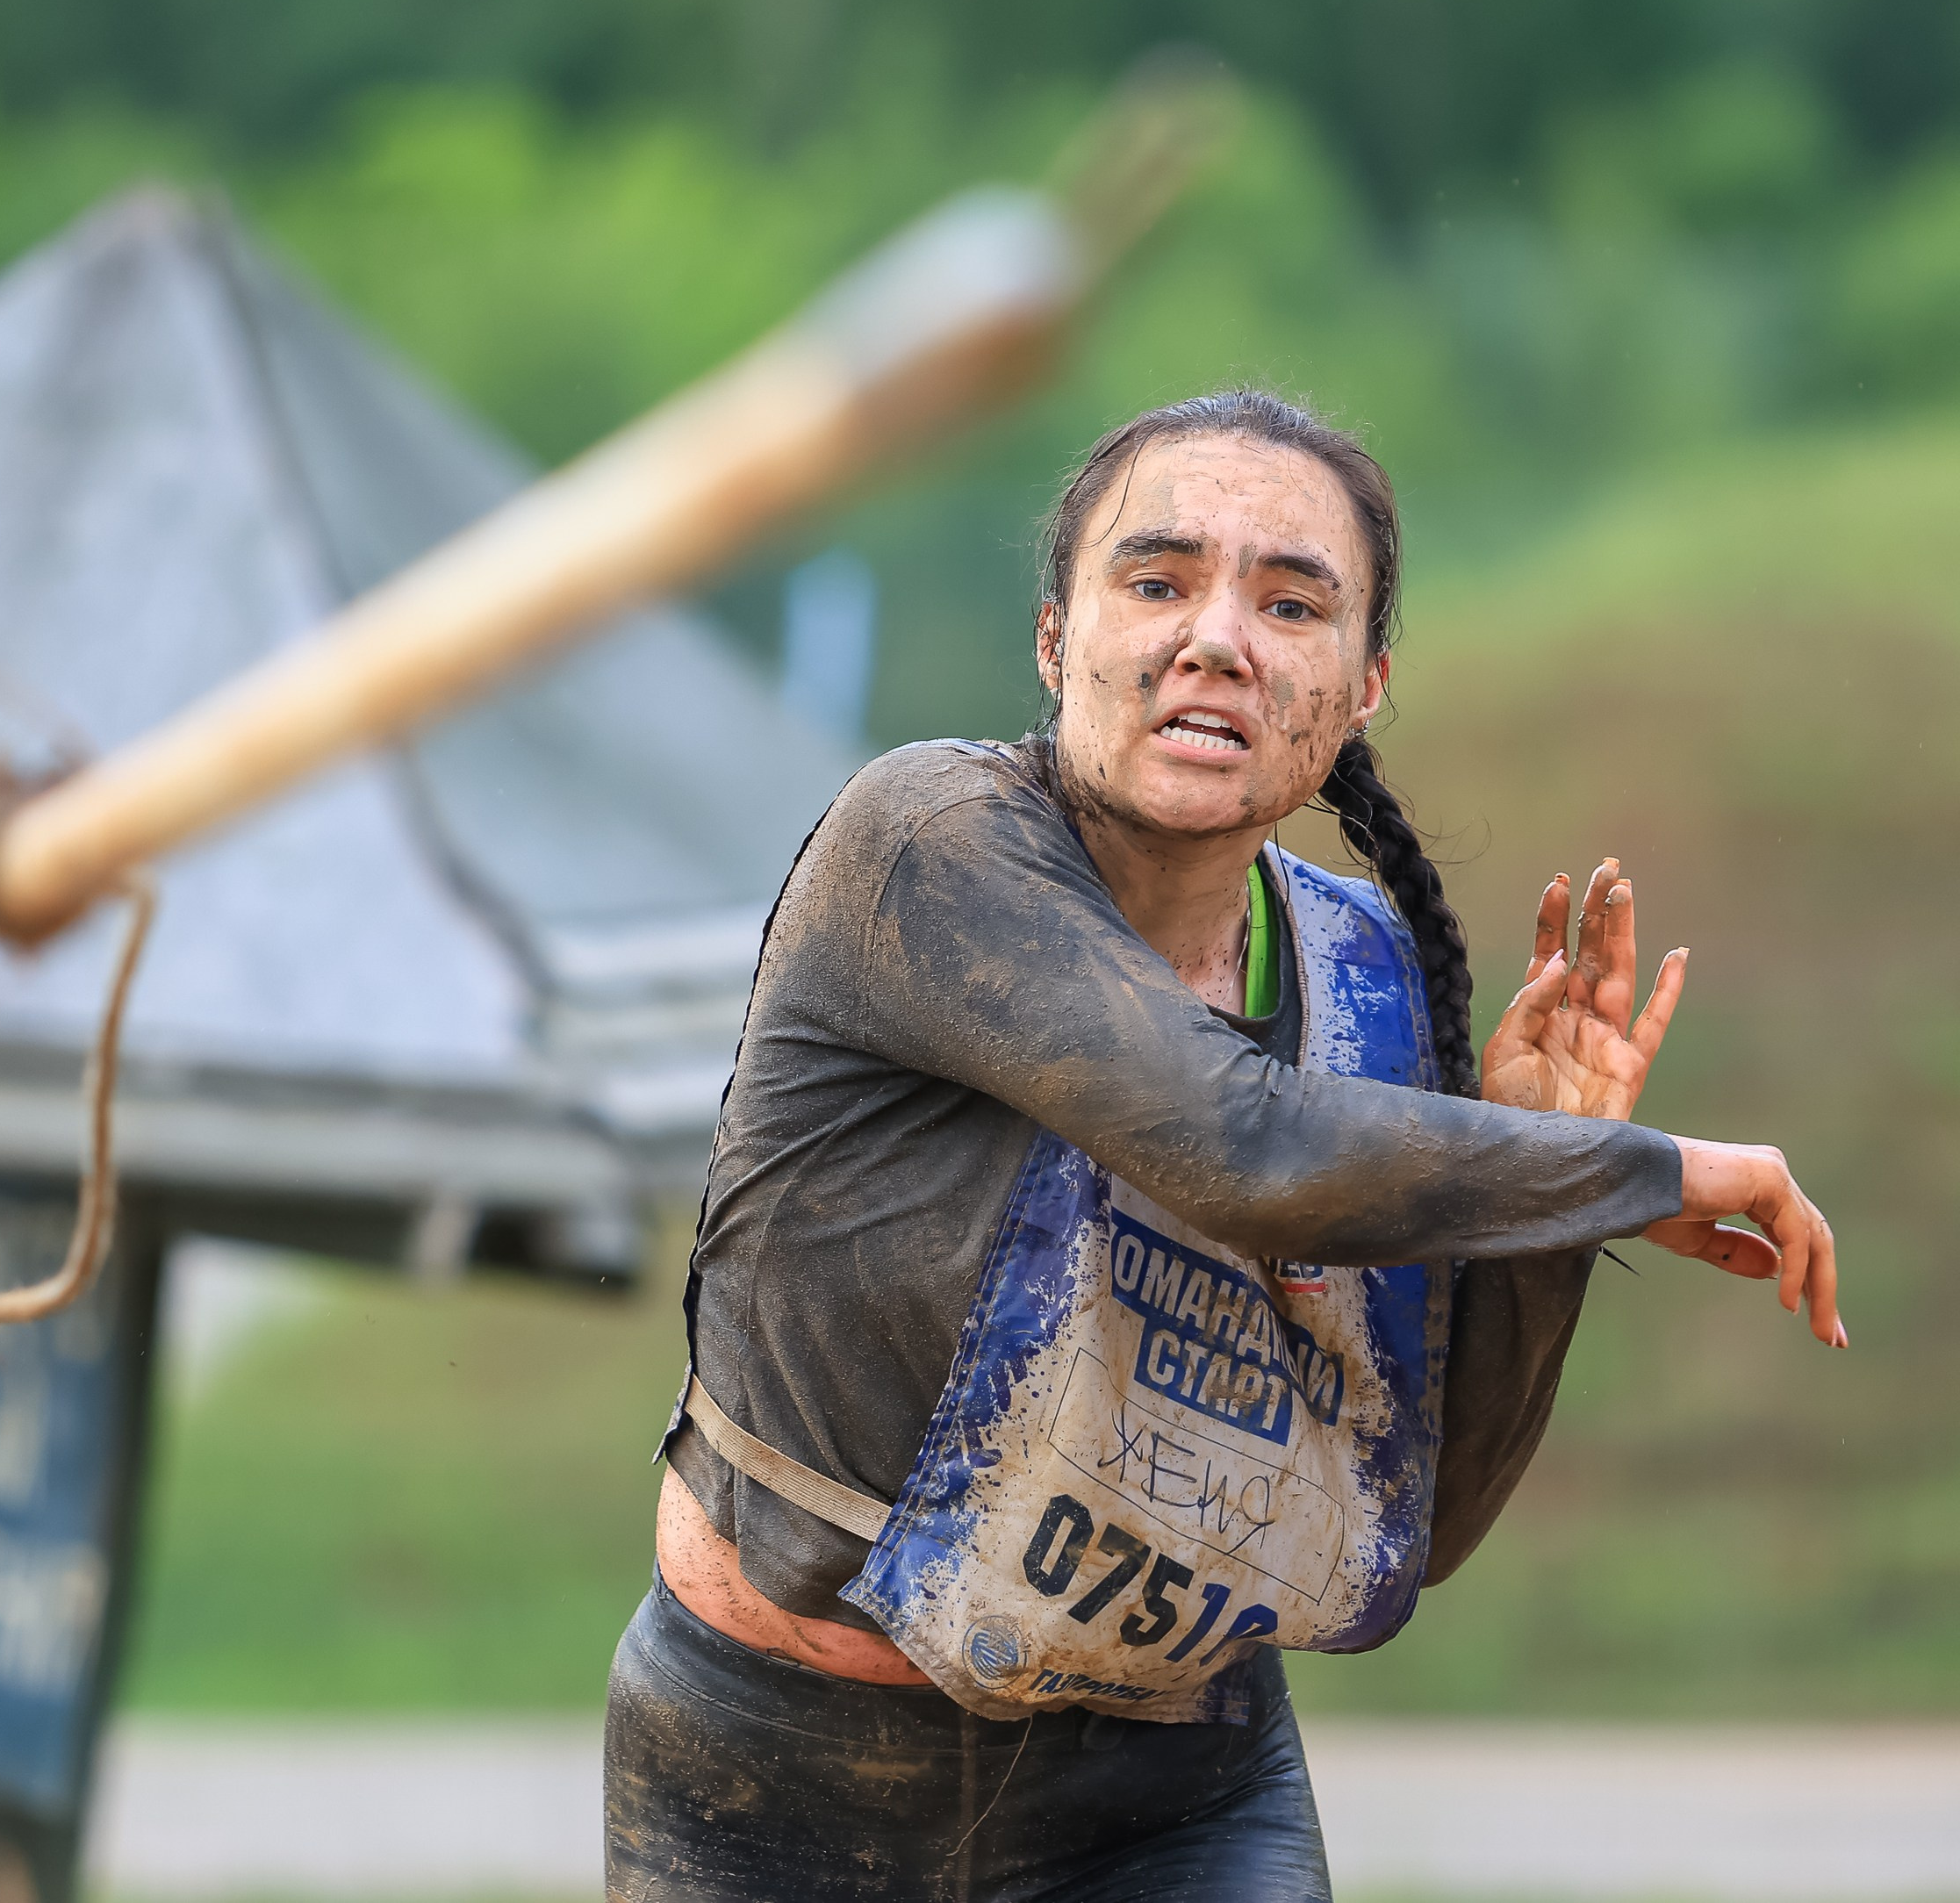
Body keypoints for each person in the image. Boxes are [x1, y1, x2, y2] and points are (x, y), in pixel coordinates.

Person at [604, 391, 1841, 1902]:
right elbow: (1237, 1146)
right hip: (776, 1775)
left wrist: (1540, 1179)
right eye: (1158, 579)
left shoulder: (1366, 979)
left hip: (1173, 1794)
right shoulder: (925, 840)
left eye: (1291, 601)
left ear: (1364, 681)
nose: (1217, 639)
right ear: (1058, 636)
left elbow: (1414, 1520)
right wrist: (1645, 1171)